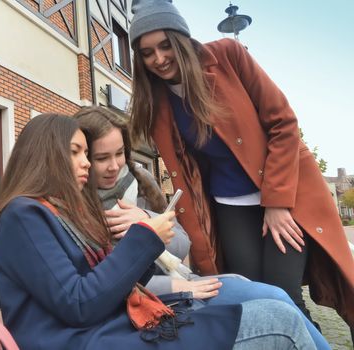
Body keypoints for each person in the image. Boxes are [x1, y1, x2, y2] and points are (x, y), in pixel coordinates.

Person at [0, 113, 316, 349]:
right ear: (44, 156)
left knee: (276, 311)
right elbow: (79, 303)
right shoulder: (22, 215)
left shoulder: (55, 212)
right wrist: (146, 237)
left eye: (87, 153)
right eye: (76, 153)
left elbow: (103, 285)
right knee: (278, 320)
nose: (86, 163)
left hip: (114, 328)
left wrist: (148, 241)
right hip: (91, 338)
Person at [127, 0, 354, 332]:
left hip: (284, 195)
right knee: (250, 292)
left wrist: (277, 203)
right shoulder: (157, 101)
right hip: (230, 205)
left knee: (283, 294)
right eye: (147, 53)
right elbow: (186, 175)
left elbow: (283, 123)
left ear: (182, 39)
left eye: (166, 45)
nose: (159, 58)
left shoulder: (228, 56)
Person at [75, 105, 329, 349]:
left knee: (278, 297)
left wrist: (146, 219)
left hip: (188, 282)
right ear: (83, 158)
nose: (114, 166)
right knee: (277, 315)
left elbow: (182, 244)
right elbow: (98, 286)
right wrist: (178, 287)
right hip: (158, 299)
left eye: (119, 154)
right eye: (101, 158)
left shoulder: (142, 181)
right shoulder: (74, 206)